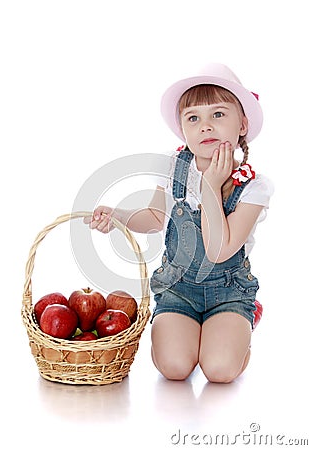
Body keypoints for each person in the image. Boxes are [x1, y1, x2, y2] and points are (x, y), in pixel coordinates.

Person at [84, 63, 274, 383]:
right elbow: (156, 218)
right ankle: (196, 332)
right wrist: (119, 216)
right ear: (182, 130)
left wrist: (210, 187)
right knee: (174, 368)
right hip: (179, 289)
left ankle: (239, 325)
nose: (205, 126)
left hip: (227, 291)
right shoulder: (172, 167)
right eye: (193, 118)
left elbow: (219, 251)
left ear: (242, 124)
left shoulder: (253, 186)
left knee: (219, 370)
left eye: (218, 114)